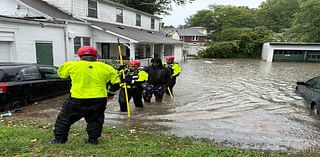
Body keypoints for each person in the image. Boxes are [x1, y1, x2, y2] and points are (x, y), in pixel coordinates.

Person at [50, 46, 120, 145]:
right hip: (99, 98)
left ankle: (59, 140)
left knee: (64, 119)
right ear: (95, 56)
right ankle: (93, 140)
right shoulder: (107, 67)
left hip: (77, 98)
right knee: (95, 120)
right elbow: (116, 83)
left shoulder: (71, 65)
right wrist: (110, 93)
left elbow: (62, 75)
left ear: (80, 55)